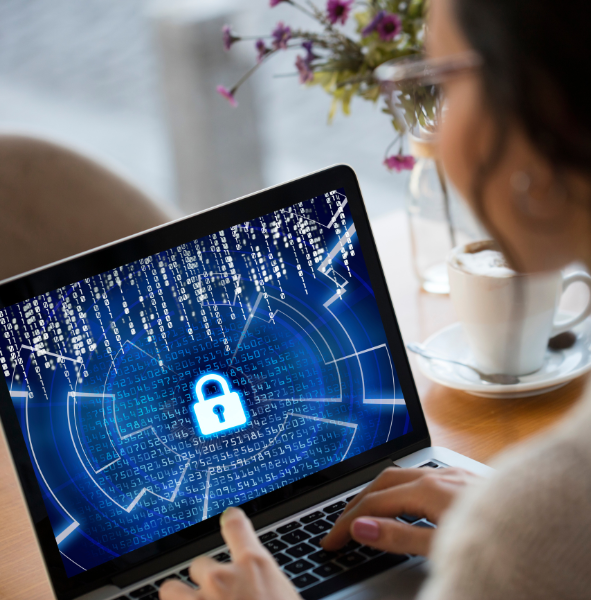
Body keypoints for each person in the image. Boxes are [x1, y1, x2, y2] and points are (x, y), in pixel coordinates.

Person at [160, 0, 591, 597]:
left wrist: (506, 540)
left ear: (542, 108)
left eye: (439, 81)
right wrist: (502, 527)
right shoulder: (536, 522)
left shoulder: (535, 532)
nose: (431, 142)